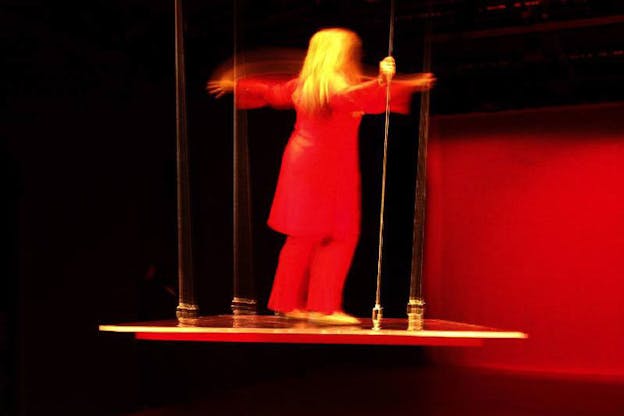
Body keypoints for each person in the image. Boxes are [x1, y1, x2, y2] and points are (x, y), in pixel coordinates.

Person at [208, 28, 434, 325]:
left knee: (318, 234)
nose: (357, 57)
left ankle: (300, 303)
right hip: (320, 166)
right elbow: (350, 98)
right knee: (325, 233)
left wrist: (237, 84)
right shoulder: (330, 86)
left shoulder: (306, 84)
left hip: (317, 163)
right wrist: (386, 81)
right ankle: (316, 306)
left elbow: (271, 92)